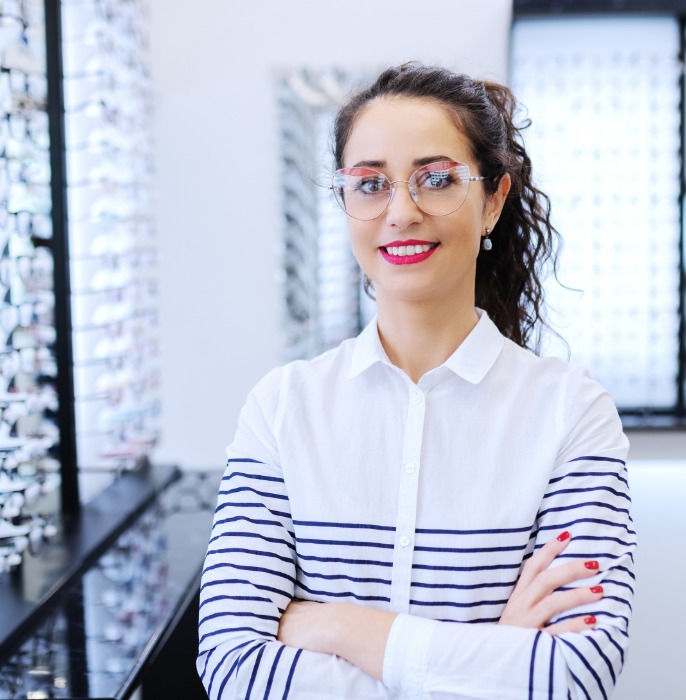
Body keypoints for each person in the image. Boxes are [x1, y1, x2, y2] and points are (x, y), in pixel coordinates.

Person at [196, 62, 635, 699]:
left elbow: (574, 676)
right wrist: (495, 659)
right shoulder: (283, 409)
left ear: (492, 201)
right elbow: (233, 668)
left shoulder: (571, 414)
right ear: (345, 204)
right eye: (370, 184)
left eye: (435, 180)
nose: (401, 212)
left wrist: (336, 625)